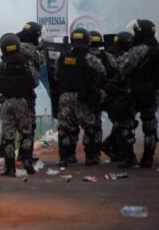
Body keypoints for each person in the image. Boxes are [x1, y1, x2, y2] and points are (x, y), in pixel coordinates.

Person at [54, 28, 106, 167]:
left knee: (65, 128)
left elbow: (56, 75)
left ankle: (65, 158)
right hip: (82, 97)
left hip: (64, 97)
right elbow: (102, 73)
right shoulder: (89, 57)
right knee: (90, 126)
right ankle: (91, 157)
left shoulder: (63, 56)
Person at [0, 33, 40, 176]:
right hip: (23, 102)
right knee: (26, 133)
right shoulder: (27, 65)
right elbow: (35, 81)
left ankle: (10, 168)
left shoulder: (1, 66)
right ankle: (26, 159)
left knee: (8, 136)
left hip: (6, 103)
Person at [118, 19, 159, 168]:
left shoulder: (140, 49)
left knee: (126, 123)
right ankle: (147, 158)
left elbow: (122, 66)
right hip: (153, 94)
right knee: (150, 124)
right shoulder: (156, 49)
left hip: (137, 92)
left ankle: (130, 157)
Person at [104, 31, 137, 166]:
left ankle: (115, 150)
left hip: (115, 96)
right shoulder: (127, 58)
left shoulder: (109, 56)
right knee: (124, 126)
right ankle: (126, 155)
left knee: (121, 125)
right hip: (122, 96)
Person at [88, 30, 121, 162]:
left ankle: (93, 154)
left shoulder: (83, 56)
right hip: (107, 94)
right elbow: (118, 71)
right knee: (120, 121)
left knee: (94, 124)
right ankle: (115, 148)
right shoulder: (107, 56)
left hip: (90, 95)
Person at [16, 22, 43, 161]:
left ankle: (4, 156)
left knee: (8, 127)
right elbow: (41, 61)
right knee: (28, 126)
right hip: (26, 94)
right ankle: (25, 155)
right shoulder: (32, 50)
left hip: (8, 94)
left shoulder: (12, 47)